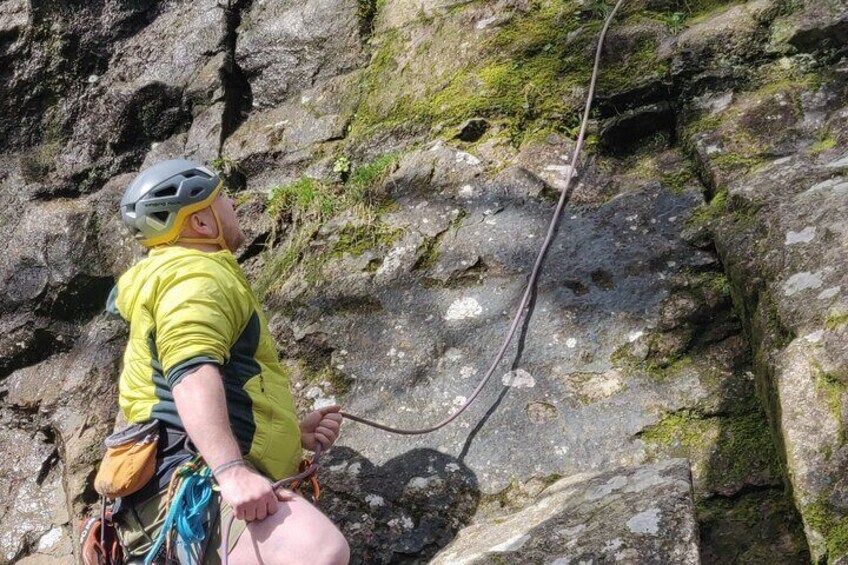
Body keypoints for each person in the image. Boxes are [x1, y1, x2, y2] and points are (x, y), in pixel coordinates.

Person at [108, 159, 350, 565]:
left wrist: (292, 433)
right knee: (315, 550)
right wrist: (231, 471)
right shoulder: (194, 276)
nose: (233, 203)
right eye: (223, 198)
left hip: (166, 487)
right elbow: (191, 374)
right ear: (201, 223)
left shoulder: (177, 275)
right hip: (190, 480)